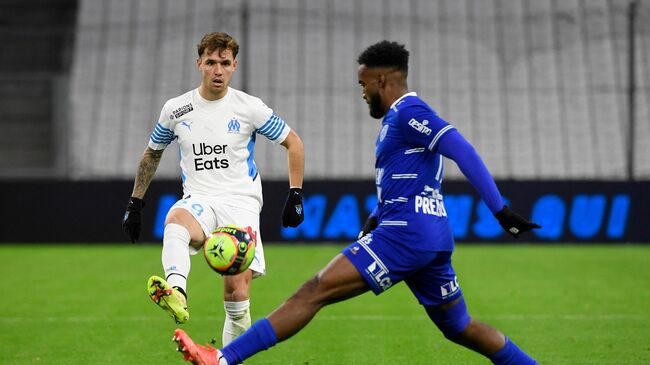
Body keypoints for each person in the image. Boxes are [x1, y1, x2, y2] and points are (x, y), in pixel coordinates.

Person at [172, 40, 540, 365]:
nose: (362, 92)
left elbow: (462, 149)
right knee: (459, 326)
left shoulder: (410, 112)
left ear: (382, 80)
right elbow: (410, 178)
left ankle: (221, 358)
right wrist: (376, 216)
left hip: (405, 235)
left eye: (364, 84)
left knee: (313, 291)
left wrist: (500, 210)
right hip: (432, 236)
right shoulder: (398, 121)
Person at [121, 32, 305, 348]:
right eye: (210, 62)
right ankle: (176, 292)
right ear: (199, 64)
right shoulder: (176, 109)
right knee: (175, 221)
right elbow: (152, 153)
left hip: (241, 203)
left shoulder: (250, 107)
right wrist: (135, 201)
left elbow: (294, 142)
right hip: (199, 199)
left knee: (237, 296)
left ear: (234, 66)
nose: (217, 70)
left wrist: (296, 193)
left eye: (224, 63)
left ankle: (227, 357)